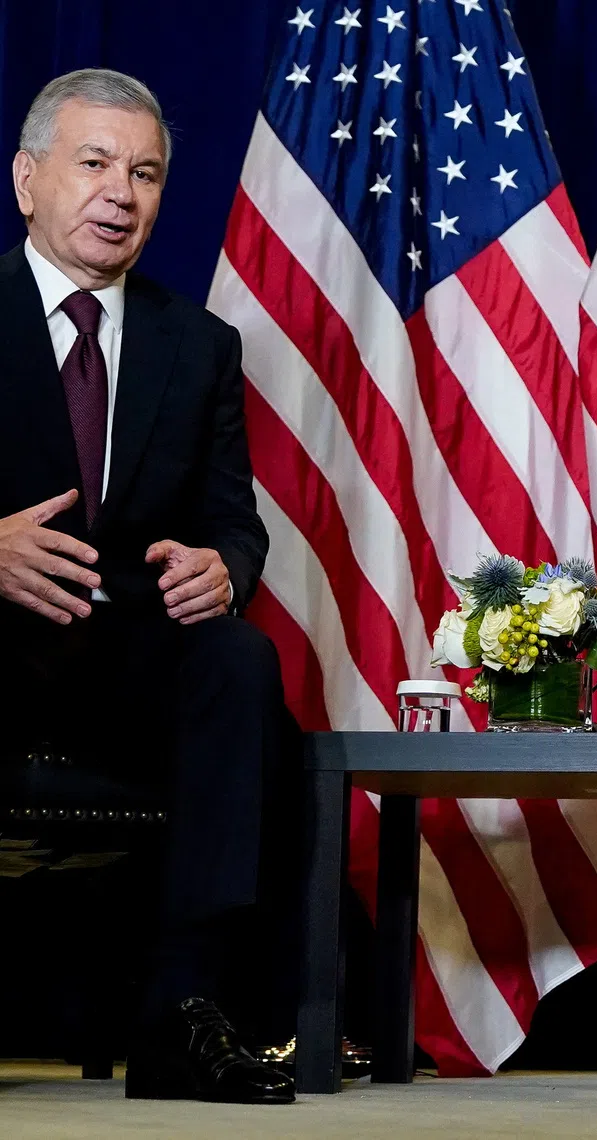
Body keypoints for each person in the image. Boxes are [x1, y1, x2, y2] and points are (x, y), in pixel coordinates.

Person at [0, 69, 295, 1104]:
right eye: (94, 164)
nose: (120, 193)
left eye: (146, 173)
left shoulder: (198, 343)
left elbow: (233, 522)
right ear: (27, 179)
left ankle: (184, 1013)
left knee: (238, 662)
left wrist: (226, 569)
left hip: (126, 669)